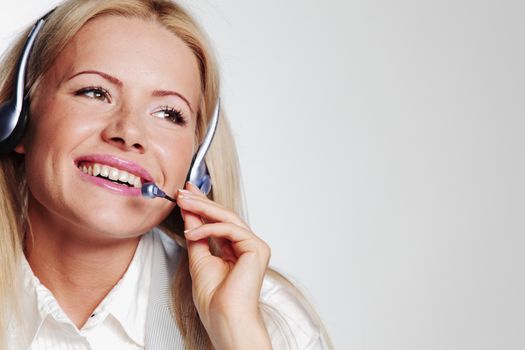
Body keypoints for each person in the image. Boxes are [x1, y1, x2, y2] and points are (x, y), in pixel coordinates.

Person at [0, 0, 332, 349]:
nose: (128, 132)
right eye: (95, 92)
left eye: (169, 114)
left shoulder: (267, 319)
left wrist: (235, 332)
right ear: (18, 118)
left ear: (195, 163)